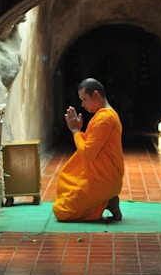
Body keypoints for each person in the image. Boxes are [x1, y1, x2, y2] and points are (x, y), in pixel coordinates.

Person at [53, 78, 124, 222]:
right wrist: (79, 131)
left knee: (61, 211)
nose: (82, 104)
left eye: (84, 99)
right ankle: (106, 200)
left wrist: (75, 131)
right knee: (67, 190)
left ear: (96, 95)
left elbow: (87, 153)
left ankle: (104, 202)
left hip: (103, 180)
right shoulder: (105, 116)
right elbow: (93, 144)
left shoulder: (104, 118)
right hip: (101, 178)